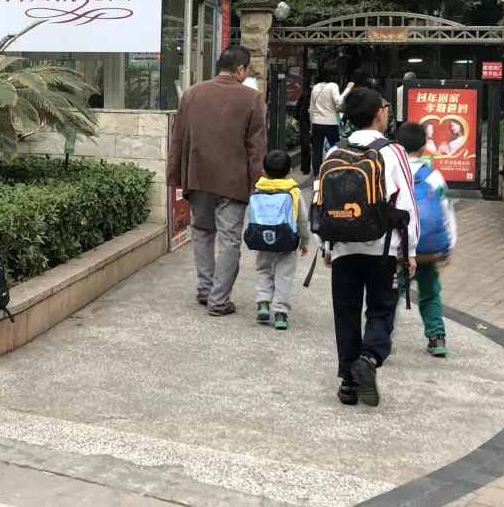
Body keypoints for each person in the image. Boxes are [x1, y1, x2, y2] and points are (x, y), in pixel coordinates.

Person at [315, 87, 420, 408]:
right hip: (382, 247)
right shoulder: (393, 152)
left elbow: (321, 199)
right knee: (381, 308)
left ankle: (348, 382)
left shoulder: (335, 150)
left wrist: (326, 245)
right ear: (378, 114)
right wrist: (410, 250)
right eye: (385, 107)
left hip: (342, 247)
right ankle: (369, 359)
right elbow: (406, 203)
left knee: (346, 311)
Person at [166, 46, 266, 316]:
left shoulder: (192, 93)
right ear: (241, 69)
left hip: (197, 176)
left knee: (202, 232)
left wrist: (175, 175)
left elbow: (178, 138)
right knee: (230, 240)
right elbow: (256, 147)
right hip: (233, 181)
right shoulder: (252, 98)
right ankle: (219, 300)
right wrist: (259, 184)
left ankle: (205, 289)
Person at [395, 121, 456, 357]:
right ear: (423, 147)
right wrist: (448, 245)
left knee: (390, 295)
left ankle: (381, 338)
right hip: (427, 249)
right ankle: (437, 337)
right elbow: (447, 211)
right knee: (430, 293)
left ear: (398, 146)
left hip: (399, 251)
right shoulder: (433, 176)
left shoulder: (391, 174)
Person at [250, 149, 310, 330]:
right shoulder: (294, 191)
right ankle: (280, 313)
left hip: (262, 239)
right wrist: (305, 240)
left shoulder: (258, 189)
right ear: (290, 171)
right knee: (284, 276)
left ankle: (263, 303)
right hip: (287, 240)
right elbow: (302, 219)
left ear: (264, 171)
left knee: (263, 270)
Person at [308, 68, 350, 167]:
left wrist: (311, 124)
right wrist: (348, 89)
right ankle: (335, 167)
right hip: (330, 122)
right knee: (335, 147)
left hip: (316, 123)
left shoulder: (316, 87)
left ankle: (317, 172)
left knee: (317, 149)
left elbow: (312, 108)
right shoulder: (333, 86)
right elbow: (339, 101)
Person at [295, 78, 313, 175]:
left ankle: (317, 168)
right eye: (311, 84)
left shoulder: (320, 95)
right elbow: (298, 106)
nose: (312, 87)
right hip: (305, 121)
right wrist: (295, 118)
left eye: (314, 84)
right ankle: (305, 168)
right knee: (305, 146)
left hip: (316, 122)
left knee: (316, 147)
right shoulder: (305, 95)